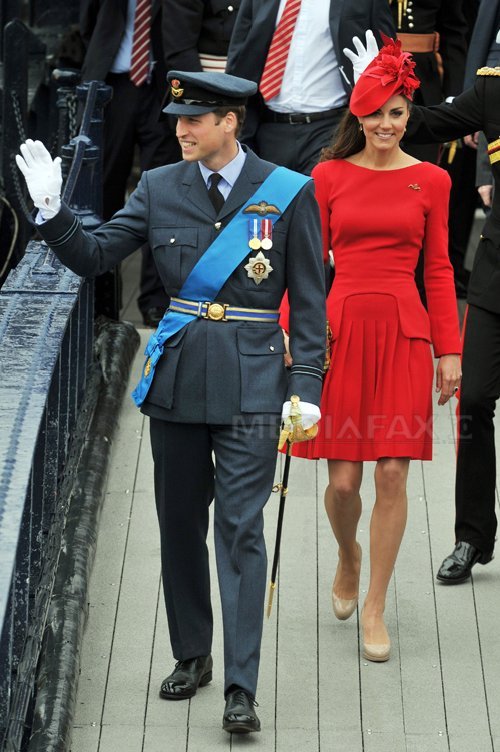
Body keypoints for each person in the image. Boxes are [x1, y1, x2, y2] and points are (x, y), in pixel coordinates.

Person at [15, 71, 326, 732]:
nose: (181, 130)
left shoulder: (289, 192)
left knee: (241, 529)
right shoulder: (158, 186)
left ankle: (241, 686)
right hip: (179, 383)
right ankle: (193, 653)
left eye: (194, 119)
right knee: (179, 524)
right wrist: (52, 214)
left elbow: (309, 302)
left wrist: (307, 388)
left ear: (230, 122)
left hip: (253, 386)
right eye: (178, 119)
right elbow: (97, 257)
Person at [281, 37, 461, 662]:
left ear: (409, 115)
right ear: (357, 115)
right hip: (340, 334)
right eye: (376, 112)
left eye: (397, 112)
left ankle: (376, 606)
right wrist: (289, 329)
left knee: (390, 472)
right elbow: (306, 264)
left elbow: (438, 268)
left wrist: (449, 349)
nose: (386, 124)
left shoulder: (433, 180)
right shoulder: (327, 177)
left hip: (406, 335)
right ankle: (349, 555)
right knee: (342, 484)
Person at [347, 28, 500, 585]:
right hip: (497, 277)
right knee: (474, 399)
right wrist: (379, 86)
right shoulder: (494, 89)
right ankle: (472, 537)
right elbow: (423, 123)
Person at [79, 0, 179, 326]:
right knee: (105, 189)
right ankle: (102, 297)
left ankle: (155, 302)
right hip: (114, 85)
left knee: (162, 193)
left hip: (164, 88)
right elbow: (88, 23)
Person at [225, 0, 396, 175]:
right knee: (269, 192)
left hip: (330, 128)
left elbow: (390, 59)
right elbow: (239, 61)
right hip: (269, 128)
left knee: (319, 191)